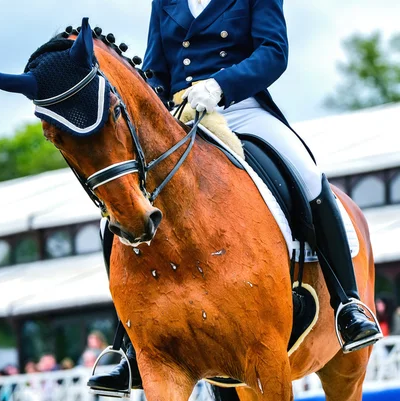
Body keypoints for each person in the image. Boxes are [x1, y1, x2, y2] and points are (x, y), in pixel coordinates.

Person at [87, 0, 382, 394]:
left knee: (310, 177)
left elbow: (274, 52)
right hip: (176, 119)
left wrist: (220, 86)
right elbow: (156, 70)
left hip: (240, 109)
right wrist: (152, 111)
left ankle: (348, 304)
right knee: (117, 213)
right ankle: (125, 346)